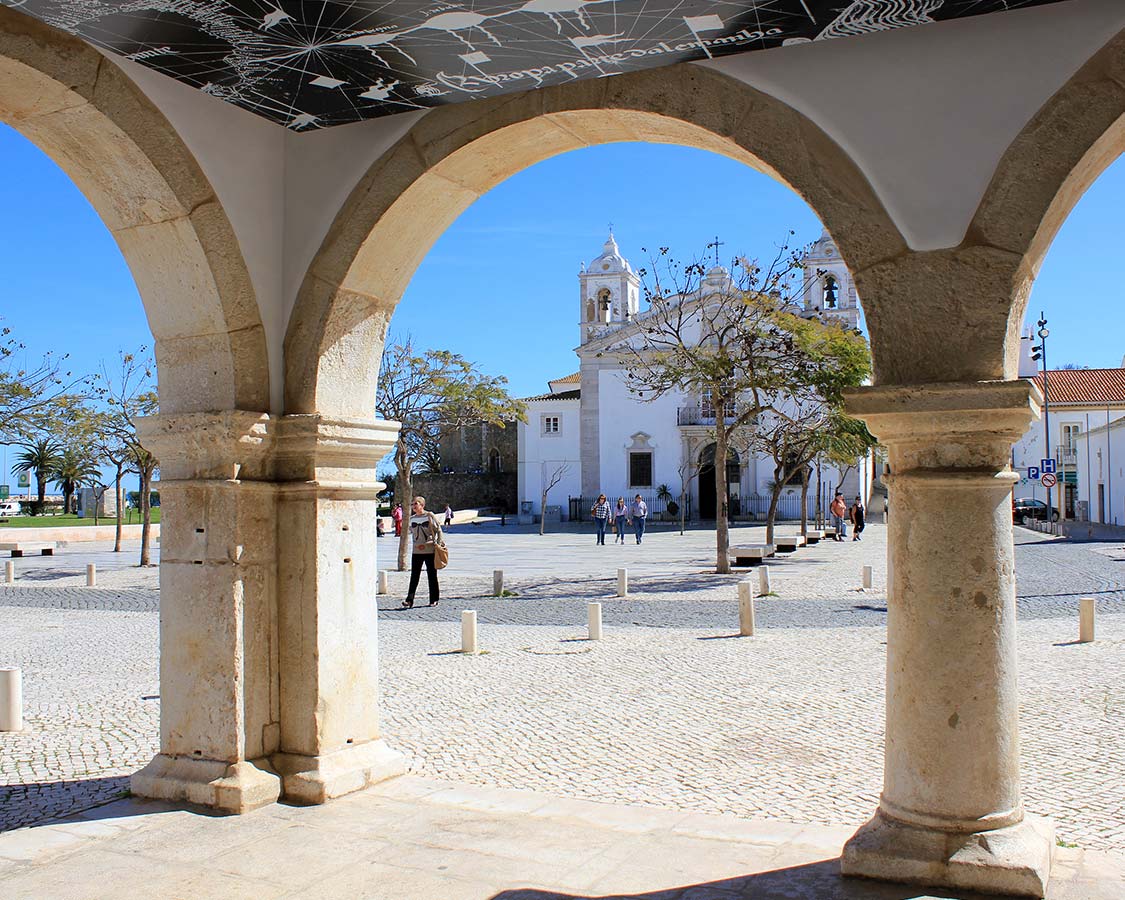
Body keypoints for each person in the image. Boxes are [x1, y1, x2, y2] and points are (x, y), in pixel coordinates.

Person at [400, 496, 443, 609]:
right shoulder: (412, 519)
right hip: (416, 551)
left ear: (422, 505)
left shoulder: (429, 516)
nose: (414, 506)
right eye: (412, 504)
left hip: (430, 550)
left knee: (432, 575)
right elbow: (412, 532)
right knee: (414, 576)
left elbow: (438, 529)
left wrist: (438, 543)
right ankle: (409, 600)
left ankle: (434, 599)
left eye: (416, 504)